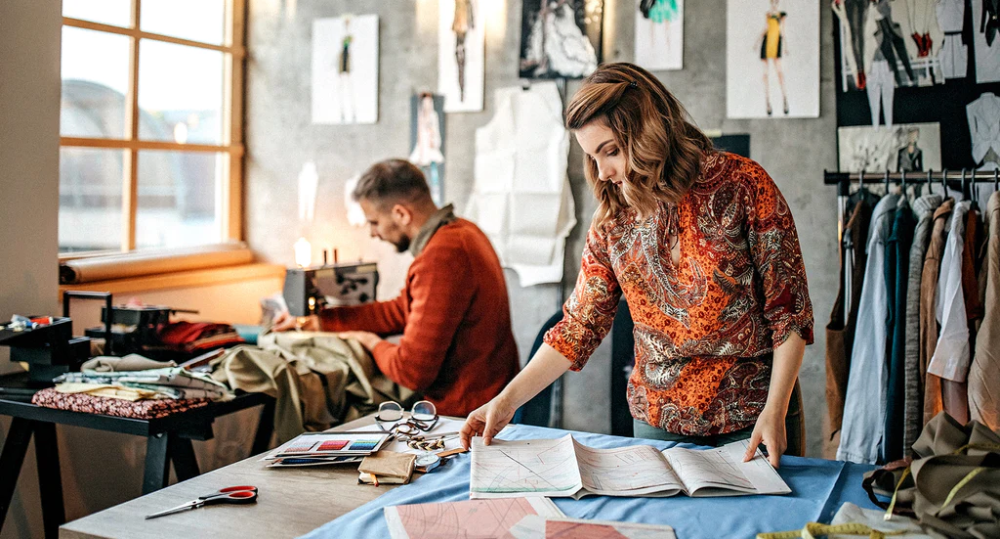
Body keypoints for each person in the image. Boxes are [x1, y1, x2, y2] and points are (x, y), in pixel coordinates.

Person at [460, 63, 814, 467]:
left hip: (755, 417)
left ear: (650, 129)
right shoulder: (613, 221)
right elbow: (578, 327)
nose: (604, 172)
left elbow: (789, 315)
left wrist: (776, 408)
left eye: (611, 151)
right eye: (592, 158)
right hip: (657, 423)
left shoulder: (744, 186)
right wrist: (505, 402)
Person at [275, 159, 520, 417]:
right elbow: (401, 310)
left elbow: (411, 371)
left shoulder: (444, 255)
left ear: (401, 214)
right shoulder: (464, 232)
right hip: (486, 398)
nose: (373, 233)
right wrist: (323, 321)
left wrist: (368, 341)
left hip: (464, 415)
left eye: (374, 222)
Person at [758, 0, 789, 116]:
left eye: (776, 2)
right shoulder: (768, 14)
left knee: (779, 72)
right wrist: (757, 42)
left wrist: (785, 46)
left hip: (776, 43)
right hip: (766, 43)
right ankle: (767, 101)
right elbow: (765, 28)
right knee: (765, 73)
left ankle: (784, 99)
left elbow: (783, 31)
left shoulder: (781, 16)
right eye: (773, 3)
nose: (774, 5)